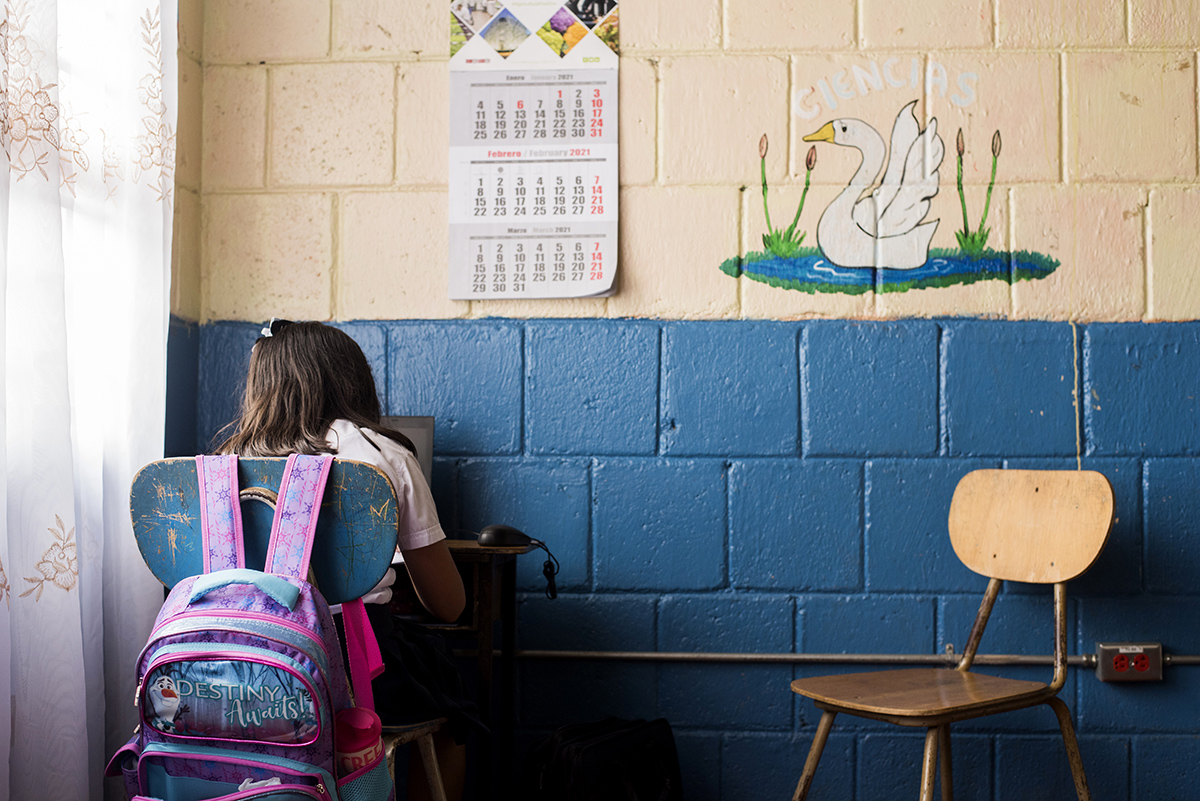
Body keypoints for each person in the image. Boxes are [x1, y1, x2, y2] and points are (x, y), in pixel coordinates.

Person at [217, 319, 481, 801]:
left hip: (241, 672)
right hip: (354, 677)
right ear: (349, 379)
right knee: (453, 698)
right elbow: (449, 605)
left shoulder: (222, 463)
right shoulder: (382, 454)